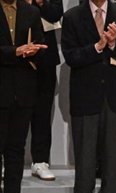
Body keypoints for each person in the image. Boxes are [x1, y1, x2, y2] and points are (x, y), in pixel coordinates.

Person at [61, 0, 116, 193]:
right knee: (84, 152)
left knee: (113, 153)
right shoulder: (73, 16)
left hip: (115, 95)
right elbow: (71, 57)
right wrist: (99, 46)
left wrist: (114, 44)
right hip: (85, 95)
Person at [0, 0, 46, 193]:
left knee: (16, 153)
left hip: (24, 93)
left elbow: (42, 46)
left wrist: (34, 51)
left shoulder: (31, 12)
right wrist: (15, 52)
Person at [28, 0, 63, 182]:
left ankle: (40, 161)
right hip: (14, 53)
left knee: (42, 110)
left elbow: (57, 13)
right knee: (9, 109)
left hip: (45, 55)